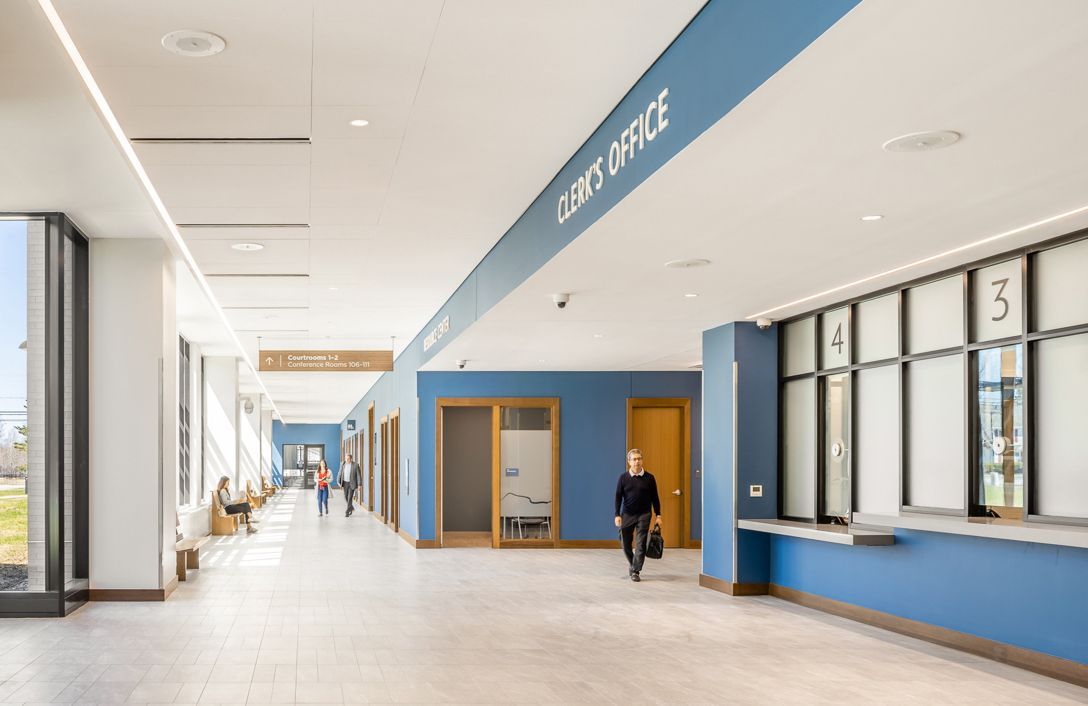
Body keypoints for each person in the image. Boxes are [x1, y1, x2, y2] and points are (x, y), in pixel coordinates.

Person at [614, 448, 661, 582]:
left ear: (642, 460)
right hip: (627, 514)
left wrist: (658, 515)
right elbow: (618, 497)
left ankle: (636, 571)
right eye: (634, 459)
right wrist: (617, 515)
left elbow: (655, 498)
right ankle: (633, 563)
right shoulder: (623, 478)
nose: (637, 462)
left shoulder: (650, 478)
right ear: (629, 462)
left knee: (640, 544)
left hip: (644, 515)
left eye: (639, 459)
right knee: (625, 543)